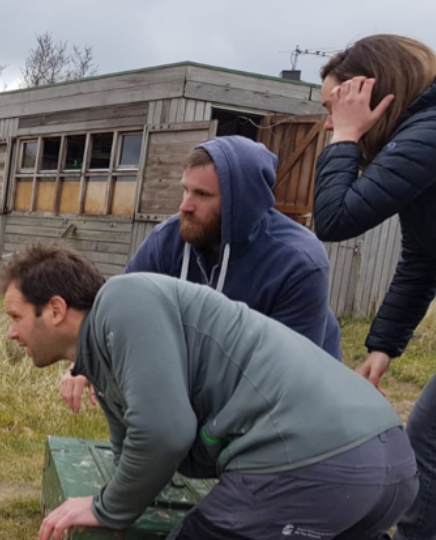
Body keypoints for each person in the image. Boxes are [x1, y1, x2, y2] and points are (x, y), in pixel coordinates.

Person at [0, 245, 416, 540]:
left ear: (54, 309)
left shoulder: (124, 299)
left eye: (15, 317)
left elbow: (165, 433)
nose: (12, 333)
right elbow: (131, 444)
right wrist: (117, 495)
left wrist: (106, 508)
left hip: (312, 466)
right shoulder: (104, 351)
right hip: (388, 465)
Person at [60, 135, 342, 413]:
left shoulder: (299, 262)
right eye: (185, 190)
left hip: (296, 400)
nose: (185, 206)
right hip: (208, 379)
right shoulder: (168, 240)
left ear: (241, 203)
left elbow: (290, 377)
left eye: (202, 195)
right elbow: (118, 310)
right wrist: (87, 360)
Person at [313, 33, 436, 540]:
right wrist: (384, 346)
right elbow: (425, 255)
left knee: (426, 443)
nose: (327, 122)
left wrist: (344, 137)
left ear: (371, 94)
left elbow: (335, 218)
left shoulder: (429, 133)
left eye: (334, 107)